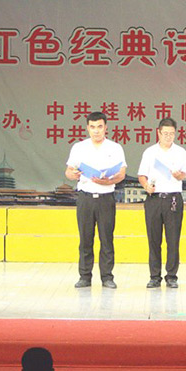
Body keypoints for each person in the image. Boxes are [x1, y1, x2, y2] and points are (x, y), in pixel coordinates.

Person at [65, 111, 127, 289]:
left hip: (106, 198)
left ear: (106, 127)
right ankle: (85, 277)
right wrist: (73, 174)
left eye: (100, 127)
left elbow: (121, 173)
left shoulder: (115, 148)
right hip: (85, 198)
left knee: (106, 238)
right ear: (87, 128)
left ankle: (107, 277)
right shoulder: (79, 147)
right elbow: (68, 171)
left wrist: (109, 180)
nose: (96, 131)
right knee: (85, 238)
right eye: (92, 127)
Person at [138, 117, 186, 289]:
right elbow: (141, 175)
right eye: (165, 133)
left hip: (173, 198)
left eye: (171, 134)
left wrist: (179, 176)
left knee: (173, 239)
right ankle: (154, 276)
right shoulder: (150, 152)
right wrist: (146, 186)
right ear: (158, 133)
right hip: (154, 198)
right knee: (154, 239)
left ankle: (172, 276)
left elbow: (184, 174)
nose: (168, 137)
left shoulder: (180, 152)